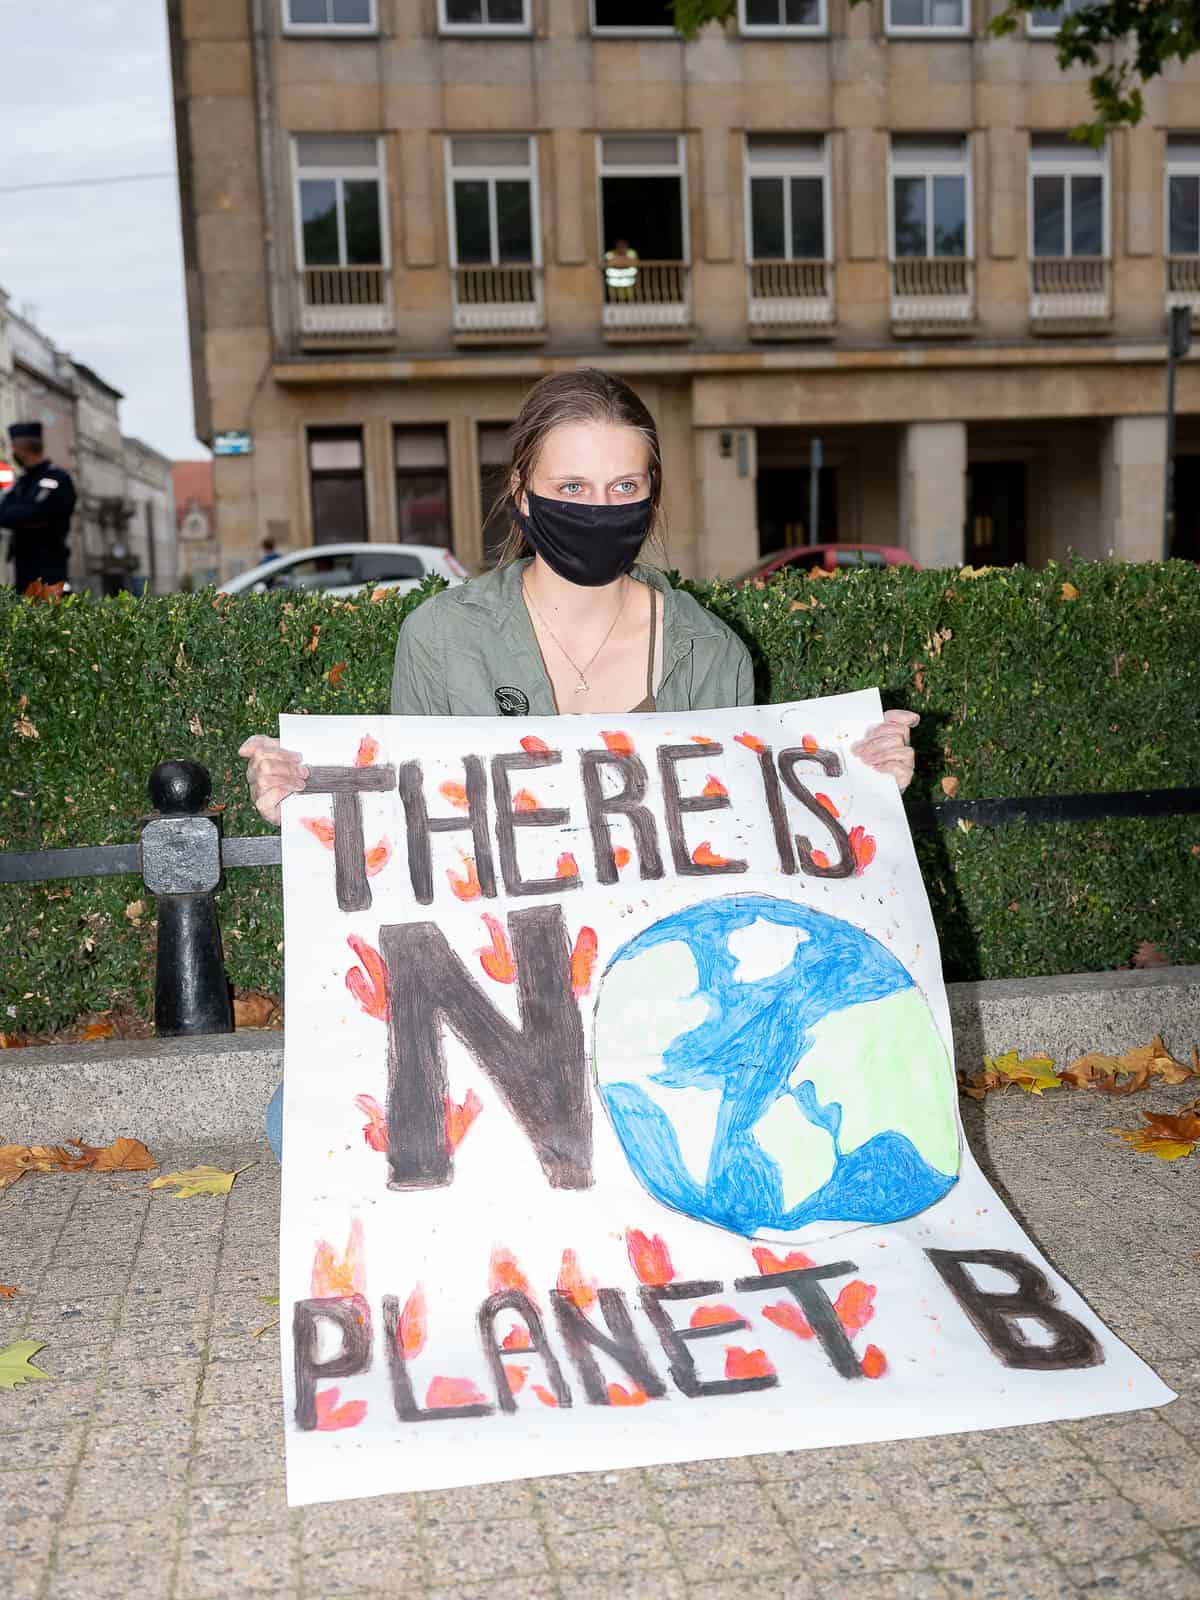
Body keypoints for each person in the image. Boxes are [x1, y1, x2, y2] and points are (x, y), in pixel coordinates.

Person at [240, 369, 918, 1157]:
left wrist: (859, 783)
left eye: (623, 485)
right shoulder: (442, 639)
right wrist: (310, 797)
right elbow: (407, 819)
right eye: (572, 485)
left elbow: (743, 844)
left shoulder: (709, 652)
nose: (599, 509)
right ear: (523, 493)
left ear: (652, 493)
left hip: (660, 1004)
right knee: (306, 1120)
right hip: (501, 991)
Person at [0, 421, 76, 593]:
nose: (13, 453)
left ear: (23, 448)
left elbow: (40, 512)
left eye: (14, 448)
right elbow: (3, 514)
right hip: (22, 567)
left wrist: (22, 515)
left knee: (50, 614)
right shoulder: (22, 482)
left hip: (50, 566)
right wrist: (24, 515)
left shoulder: (57, 478)